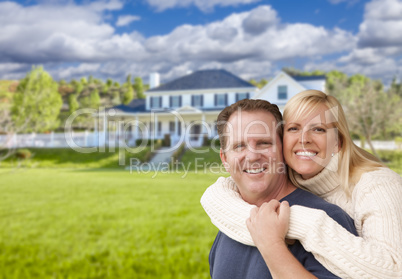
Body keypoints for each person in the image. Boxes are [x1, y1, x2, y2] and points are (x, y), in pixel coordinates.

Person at [201, 90, 402, 278]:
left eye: (264, 143)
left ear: (280, 149)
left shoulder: (346, 207)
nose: (252, 156)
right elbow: (217, 195)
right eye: (239, 146)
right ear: (224, 159)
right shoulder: (231, 219)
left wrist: (286, 232)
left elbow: (394, 270)